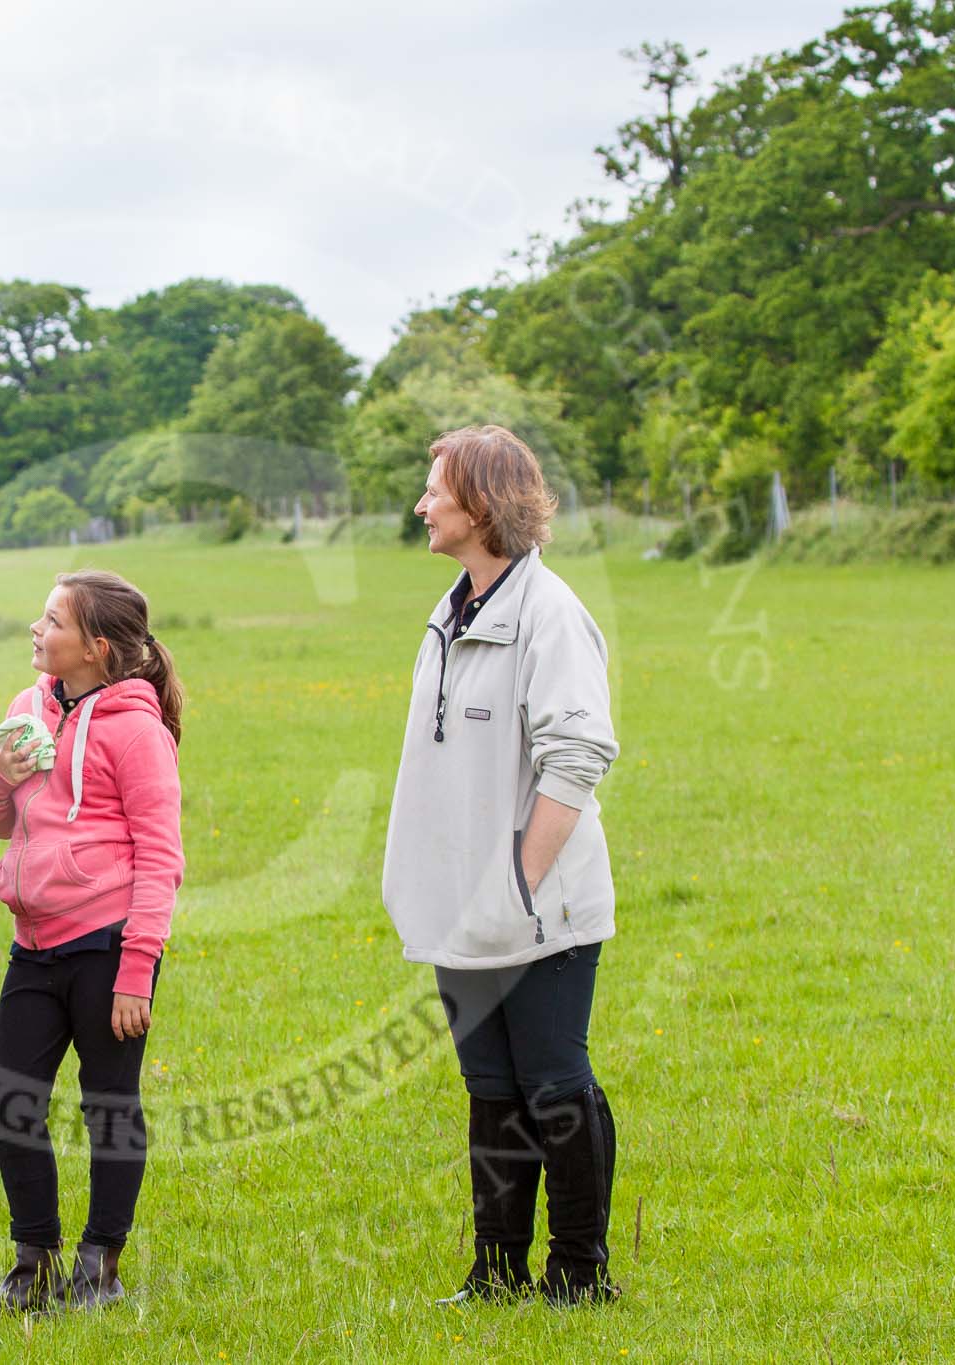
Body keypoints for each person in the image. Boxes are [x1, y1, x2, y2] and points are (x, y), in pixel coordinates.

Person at [381, 425, 623, 1306]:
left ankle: (581, 1272)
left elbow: (579, 754)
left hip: (539, 909)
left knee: (555, 1084)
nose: (422, 504)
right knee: (491, 1089)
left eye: (434, 488)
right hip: (459, 906)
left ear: (480, 504)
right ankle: (496, 1269)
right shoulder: (450, 614)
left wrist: (520, 880)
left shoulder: (550, 613)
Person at [0, 572, 185, 1315]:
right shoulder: (27, 708)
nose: (36, 628)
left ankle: (101, 1266)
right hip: (34, 943)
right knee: (10, 1100)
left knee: (109, 1105)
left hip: (108, 943)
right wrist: (2, 771)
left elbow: (161, 857)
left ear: (94, 647)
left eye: (52, 619)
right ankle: (33, 1266)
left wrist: (137, 969)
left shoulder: (136, 729)